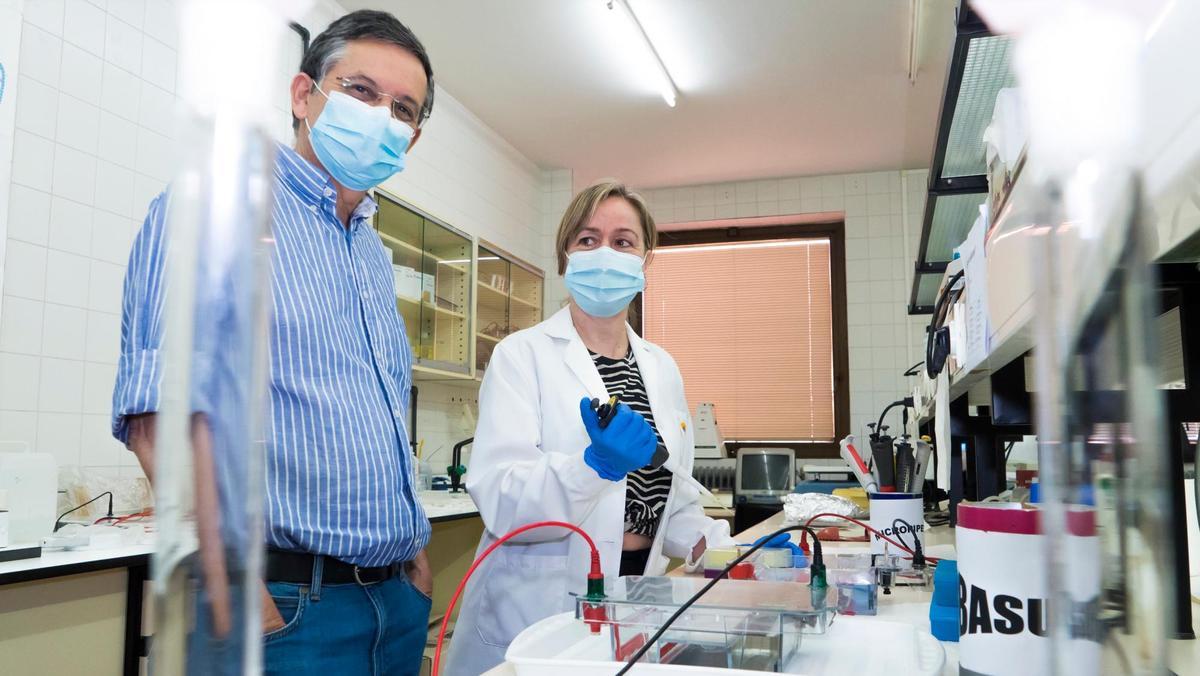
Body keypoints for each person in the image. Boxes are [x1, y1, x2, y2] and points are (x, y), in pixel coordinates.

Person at [112, 10, 436, 675]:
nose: (382, 117)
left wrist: (415, 558)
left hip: (395, 605)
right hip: (288, 610)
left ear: (413, 139)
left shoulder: (371, 253)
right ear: (302, 95)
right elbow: (157, 419)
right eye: (362, 91)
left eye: (403, 109)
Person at [442, 180, 735, 674]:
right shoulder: (522, 356)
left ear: (645, 261)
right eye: (587, 239)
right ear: (565, 257)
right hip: (537, 606)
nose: (605, 253)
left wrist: (725, 546)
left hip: (638, 593)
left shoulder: (662, 368)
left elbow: (671, 500)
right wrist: (594, 466)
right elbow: (502, 499)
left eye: (623, 241)